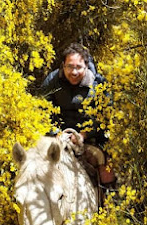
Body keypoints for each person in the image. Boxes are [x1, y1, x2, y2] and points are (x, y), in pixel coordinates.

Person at [40, 43, 115, 187]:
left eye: (78, 67)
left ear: (86, 66)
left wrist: (83, 135)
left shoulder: (98, 84)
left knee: (104, 165)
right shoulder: (52, 80)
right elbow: (42, 110)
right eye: (69, 66)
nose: (74, 72)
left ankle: (107, 200)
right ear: (63, 65)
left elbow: (105, 116)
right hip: (58, 136)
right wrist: (56, 133)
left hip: (90, 138)